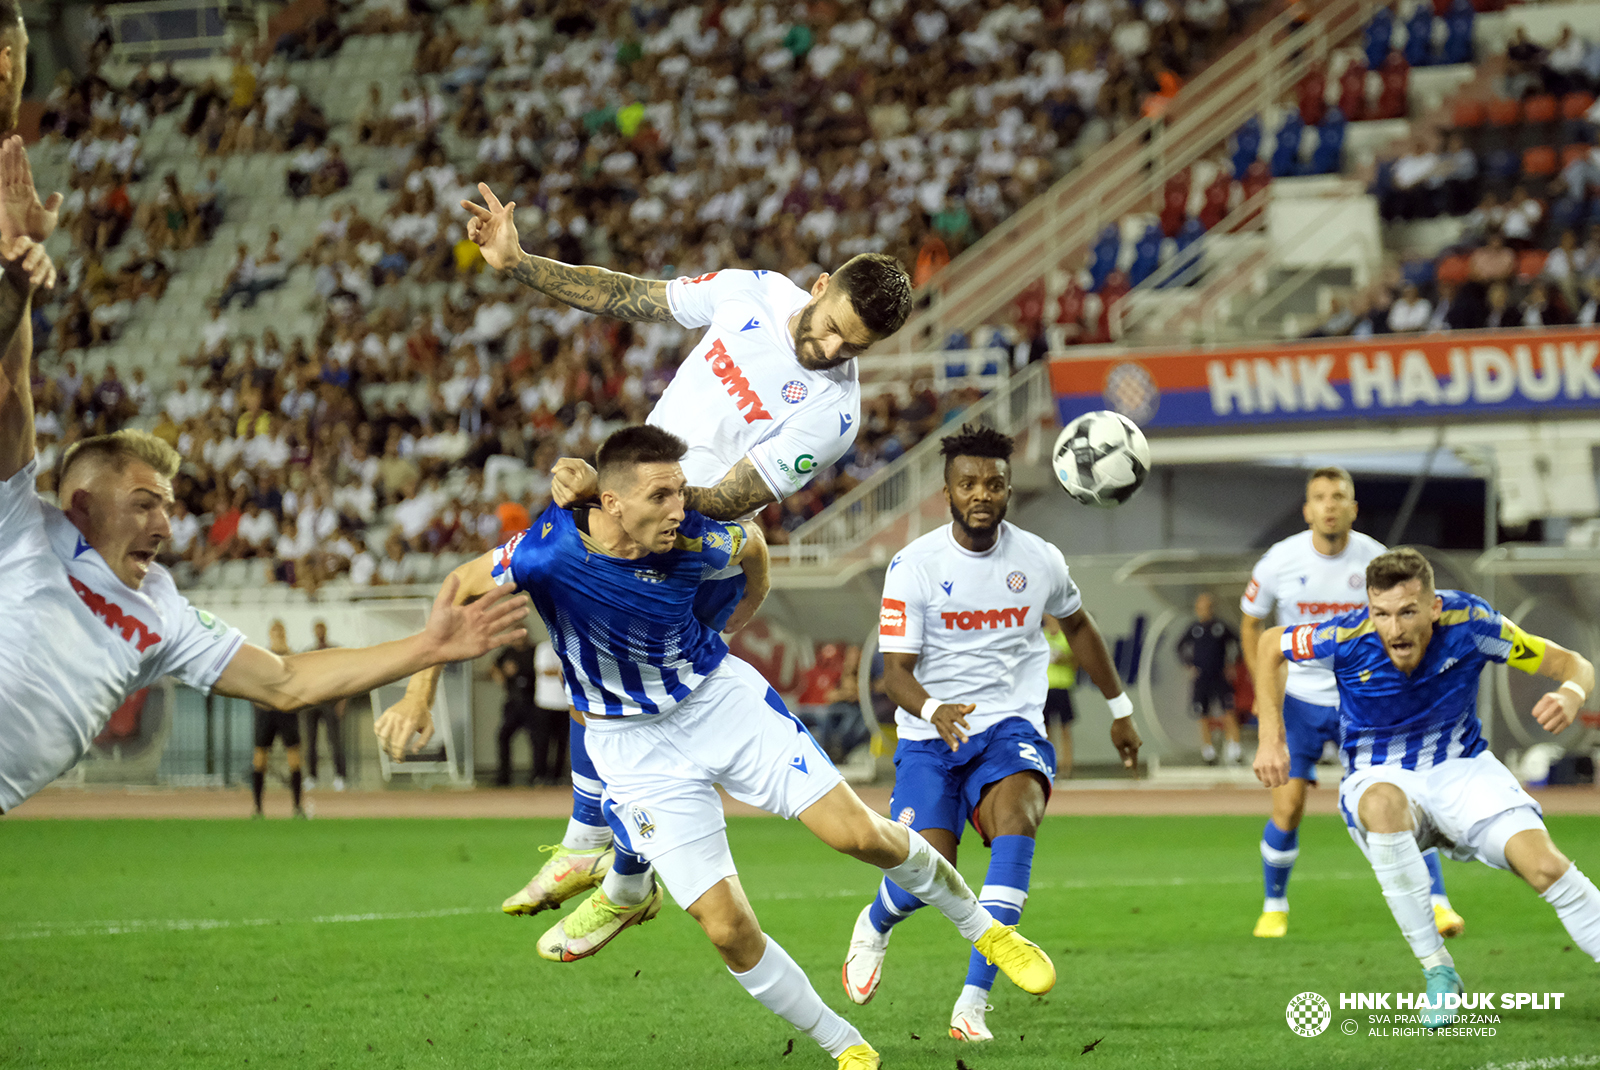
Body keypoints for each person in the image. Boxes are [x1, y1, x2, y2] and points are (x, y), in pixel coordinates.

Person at [375, 427, 1055, 1070]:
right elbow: (458, 587)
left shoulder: (694, 539)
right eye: (661, 497)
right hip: (631, 749)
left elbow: (752, 547)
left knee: (858, 834)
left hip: (717, 703)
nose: (680, 508)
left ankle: (985, 929)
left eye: (681, 492)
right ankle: (845, 1043)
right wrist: (417, 694)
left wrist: (745, 610)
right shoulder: (547, 552)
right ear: (610, 503)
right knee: (727, 929)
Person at [462, 180, 913, 915]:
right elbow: (630, 295)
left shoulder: (835, 412)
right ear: (821, 285)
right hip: (641, 515)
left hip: (694, 546)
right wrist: (519, 263)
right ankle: (623, 876)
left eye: (852, 346)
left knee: (623, 705)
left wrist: (632, 499)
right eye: (832, 325)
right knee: (600, 687)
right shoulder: (753, 292)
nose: (830, 348)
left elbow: (732, 495)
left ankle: (600, 857)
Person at [841, 424, 1139, 1043]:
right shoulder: (914, 566)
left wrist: (1120, 708)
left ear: (1009, 491)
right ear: (946, 490)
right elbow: (893, 674)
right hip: (929, 735)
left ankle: (973, 1003)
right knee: (931, 871)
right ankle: (875, 922)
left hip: (1010, 726)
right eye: (968, 483)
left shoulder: (1040, 559)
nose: (982, 493)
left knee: (1018, 821)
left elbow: (1079, 627)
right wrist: (933, 711)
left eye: (995, 484)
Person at [1255, 548, 1600, 1020]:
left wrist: (1571, 692)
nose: (1394, 629)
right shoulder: (1345, 635)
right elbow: (1270, 643)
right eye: (1382, 614)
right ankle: (1439, 970)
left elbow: (1572, 664)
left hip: (1463, 770)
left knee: (1545, 867)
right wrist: (1271, 737)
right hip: (1379, 775)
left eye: (1407, 612)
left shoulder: (1472, 624)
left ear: (1434, 608)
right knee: (1381, 804)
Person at [1239, 467, 1461, 940]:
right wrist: (1265, 693)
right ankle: (1274, 905)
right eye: (1320, 497)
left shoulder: (1377, 561)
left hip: (1361, 697)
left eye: (1339, 496)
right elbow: (1252, 624)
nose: (1330, 505)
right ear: (1307, 509)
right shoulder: (1279, 560)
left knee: (1403, 796)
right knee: (1289, 807)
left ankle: (1438, 902)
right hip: (1298, 698)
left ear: (1353, 508)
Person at [1178, 592, 1241, 765]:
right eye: (1201, 607)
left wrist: (1232, 664)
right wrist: (1188, 665)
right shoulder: (1194, 628)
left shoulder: (1220, 626)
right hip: (1202, 678)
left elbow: (1238, 642)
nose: (1204, 610)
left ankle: (1234, 749)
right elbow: (1179, 647)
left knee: (1229, 711)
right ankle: (1208, 752)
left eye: (1208, 607)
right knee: (1202, 713)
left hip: (1219, 675)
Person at [251, 618, 306, 818]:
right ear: (269, 633)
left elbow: (299, 681)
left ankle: (298, 807)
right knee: (259, 760)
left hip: (287, 713)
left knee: (294, 759)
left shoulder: (292, 656)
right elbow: (254, 685)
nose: (277, 632)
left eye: (280, 629)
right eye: (274, 629)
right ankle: (257, 808)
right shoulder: (262, 656)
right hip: (266, 712)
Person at [301, 618, 347, 792]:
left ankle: (340, 776)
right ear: (314, 632)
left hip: (330, 703)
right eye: (317, 629)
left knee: (335, 740)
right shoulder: (309, 653)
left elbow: (344, 679)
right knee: (311, 741)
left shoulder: (334, 651)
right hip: (313, 704)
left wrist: (342, 701)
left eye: (322, 629)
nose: (319, 633)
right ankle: (312, 776)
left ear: (326, 631)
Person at [489, 635, 541, 786]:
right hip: (513, 701)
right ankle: (503, 776)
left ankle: (537, 776)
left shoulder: (535, 651)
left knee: (536, 739)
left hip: (532, 701)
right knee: (503, 736)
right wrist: (503, 675)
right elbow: (493, 667)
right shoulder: (507, 652)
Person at [1041, 613, 1077, 779]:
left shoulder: (1066, 637)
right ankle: (1049, 764)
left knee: (1065, 729)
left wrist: (1064, 658)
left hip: (1062, 687)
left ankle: (1067, 766)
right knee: (1046, 730)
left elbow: (1076, 662)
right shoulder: (1041, 637)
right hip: (1045, 688)